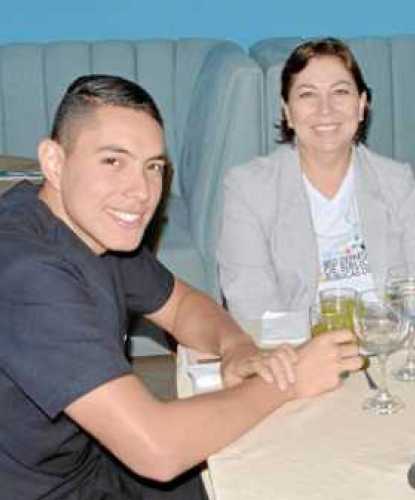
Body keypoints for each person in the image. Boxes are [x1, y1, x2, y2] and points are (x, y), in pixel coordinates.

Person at [0, 74, 362, 499]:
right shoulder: (27, 271)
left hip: (97, 464)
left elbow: (181, 306)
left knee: (282, 468)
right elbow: (157, 449)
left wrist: (237, 348)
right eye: (113, 161)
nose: (140, 192)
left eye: (153, 167)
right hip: (49, 492)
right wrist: (290, 381)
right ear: (54, 163)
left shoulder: (94, 229)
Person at [217, 37, 415, 322]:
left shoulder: (397, 181)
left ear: (361, 106)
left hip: (387, 339)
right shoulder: (248, 189)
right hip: (297, 350)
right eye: (307, 94)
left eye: (340, 92)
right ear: (288, 112)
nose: (326, 109)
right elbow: (252, 307)